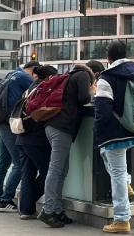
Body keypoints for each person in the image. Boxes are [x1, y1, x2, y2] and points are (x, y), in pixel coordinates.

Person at [93, 41, 134, 234]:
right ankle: (126, 182)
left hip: (113, 132)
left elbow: (103, 108)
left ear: (109, 57)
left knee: (116, 172)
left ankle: (122, 219)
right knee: (115, 166)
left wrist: (99, 130)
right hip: (130, 127)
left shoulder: (107, 77)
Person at [37, 63, 97, 228]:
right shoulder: (83, 75)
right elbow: (84, 98)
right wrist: (92, 90)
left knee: (62, 170)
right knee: (56, 170)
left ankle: (57, 210)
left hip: (54, 126)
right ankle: (48, 210)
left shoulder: (69, 76)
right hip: (61, 127)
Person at [0, 61, 39, 213]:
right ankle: (5, 200)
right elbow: (38, 90)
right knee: (19, 163)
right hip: (10, 123)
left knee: (2, 162)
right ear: (32, 70)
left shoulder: (9, 75)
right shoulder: (24, 77)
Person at [17, 65, 57, 220]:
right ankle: (28, 201)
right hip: (36, 138)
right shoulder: (45, 89)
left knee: (27, 173)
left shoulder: (29, 89)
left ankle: (26, 209)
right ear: (49, 77)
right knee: (50, 172)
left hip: (21, 136)